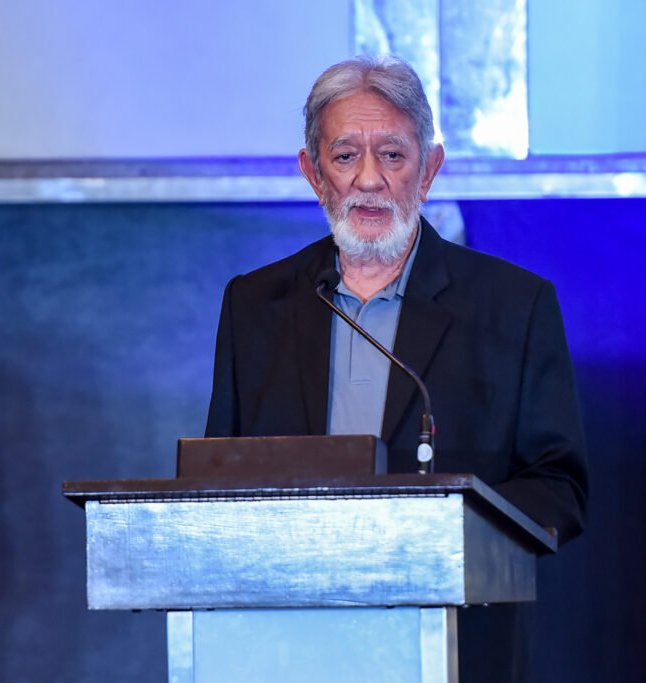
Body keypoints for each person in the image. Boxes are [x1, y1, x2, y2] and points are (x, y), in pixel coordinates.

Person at [205, 55, 588, 682]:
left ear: (429, 169)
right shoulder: (255, 305)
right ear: (313, 173)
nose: (369, 180)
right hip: (285, 645)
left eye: (392, 155)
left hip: (454, 642)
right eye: (345, 156)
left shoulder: (512, 306)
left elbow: (558, 487)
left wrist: (441, 532)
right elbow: (218, 483)